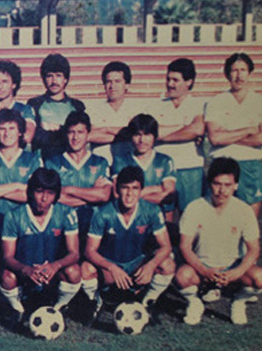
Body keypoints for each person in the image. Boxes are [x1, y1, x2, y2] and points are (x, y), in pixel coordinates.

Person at [175, 157, 262, 326]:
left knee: (260, 278)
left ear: (236, 185)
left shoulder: (244, 210)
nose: (222, 190)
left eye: (228, 185)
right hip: (203, 266)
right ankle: (195, 302)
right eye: (217, 184)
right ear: (209, 183)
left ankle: (238, 302)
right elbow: (185, 246)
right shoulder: (194, 207)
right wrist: (204, 270)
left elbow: (254, 249)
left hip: (232, 267)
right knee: (182, 276)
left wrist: (237, 272)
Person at [81, 166, 175, 321]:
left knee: (167, 264)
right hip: (110, 267)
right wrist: (112, 267)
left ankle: (147, 303)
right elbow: (89, 251)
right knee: (86, 269)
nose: (129, 194)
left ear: (141, 190)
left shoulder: (152, 210)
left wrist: (150, 265)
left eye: (135, 188)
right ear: (117, 189)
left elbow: (166, 246)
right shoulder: (102, 213)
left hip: (137, 264)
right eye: (125, 188)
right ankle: (96, 302)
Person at [0, 168, 82, 320]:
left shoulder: (67, 213)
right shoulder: (13, 215)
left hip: (53, 273)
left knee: (74, 271)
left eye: (50, 193)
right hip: (25, 273)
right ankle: (18, 310)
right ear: (31, 191)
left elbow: (74, 253)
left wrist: (55, 266)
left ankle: (59, 307)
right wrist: (26, 270)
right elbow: (7, 257)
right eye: (39, 192)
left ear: (56, 195)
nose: (44, 198)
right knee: (7, 277)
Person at [204, 53, 262, 217]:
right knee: (219, 215)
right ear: (227, 74)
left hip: (250, 165)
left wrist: (227, 136)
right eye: (234, 70)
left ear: (250, 73)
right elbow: (215, 138)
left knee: (249, 217)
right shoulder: (216, 102)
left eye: (243, 70)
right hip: (222, 163)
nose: (239, 75)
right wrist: (248, 130)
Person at [0, 108, 42, 266]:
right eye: (2, 129)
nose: (7, 133)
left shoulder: (32, 159)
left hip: (23, 222)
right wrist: (18, 186)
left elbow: (34, 197)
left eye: (12, 128)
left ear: (20, 132)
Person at [44, 111, 111, 235]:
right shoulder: (53, 163)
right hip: (62, 227)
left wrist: (69, 189)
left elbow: (104, 195)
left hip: (93, 227)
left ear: (88, 134)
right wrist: (92, 195)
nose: (75, 137)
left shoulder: (100, 162)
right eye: (71, 132)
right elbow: (53, 198)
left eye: (80, 132)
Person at [154, 58, 205, 214]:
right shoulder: (157, 105)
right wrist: (184, 128)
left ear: (189, 82)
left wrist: (163, 137)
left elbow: (197, 129)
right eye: (168, 79)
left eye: (175, 80)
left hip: (190, 169)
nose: (170, 84)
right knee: (163, 216)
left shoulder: (199, 105)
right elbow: (153, 132)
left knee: (190, 216)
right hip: (163, 170)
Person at [111, 114, 177, 223]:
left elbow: (169, 194)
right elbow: (117, 195)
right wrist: (157, 188)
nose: (142, 140)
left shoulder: (164, 160)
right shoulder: (120, 161)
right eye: (137, 135)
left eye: (147, 135)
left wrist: (133, 195)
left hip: (159, 217)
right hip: (131, 219)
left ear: (155, 136)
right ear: (131, 137)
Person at [27, 53, 85, 161]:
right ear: (43, 79)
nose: (54, 81)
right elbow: (36, 137)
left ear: (65, 79)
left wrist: (55, 129)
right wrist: (65, 131)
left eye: (58, 75)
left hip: (70, 163)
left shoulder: (77, 106)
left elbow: (81, 136)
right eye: (49, 76)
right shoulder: (35, 103)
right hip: (42, 161)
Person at [87, 61, 143, 164]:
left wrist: (105, 129)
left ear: (127, 85)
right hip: (100, 166)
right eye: (108, 81)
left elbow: (141, 135)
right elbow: (90, 136)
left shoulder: (138, 110)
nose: (112, 86)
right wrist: (126, 135)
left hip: (129, 166)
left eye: (117, 81)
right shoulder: (93, 111)